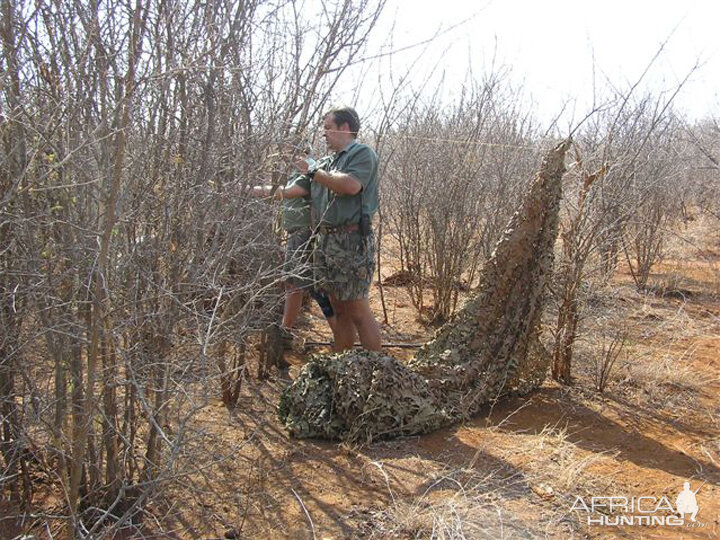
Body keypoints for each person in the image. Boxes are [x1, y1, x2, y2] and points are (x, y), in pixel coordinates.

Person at [295, 106, 382, 352]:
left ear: (345, 128)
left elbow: (351, 185)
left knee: (357, 309)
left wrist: (313, 171)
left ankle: (375, 375)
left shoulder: (362, 153)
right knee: (338, 307)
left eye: (328, 128)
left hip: (351, 240)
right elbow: (302, 188)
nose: (324, 134)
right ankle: (341, 367)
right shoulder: (328, 161)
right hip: (326, 242)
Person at [249, 169, 337, 349]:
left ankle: (340, 335)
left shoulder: (307, 174)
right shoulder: (294, 174)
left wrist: (249, 189)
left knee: (313, 288)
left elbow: (287, 192)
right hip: (296, 236)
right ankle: (285, 332)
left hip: (305, 236)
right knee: (293, 285)